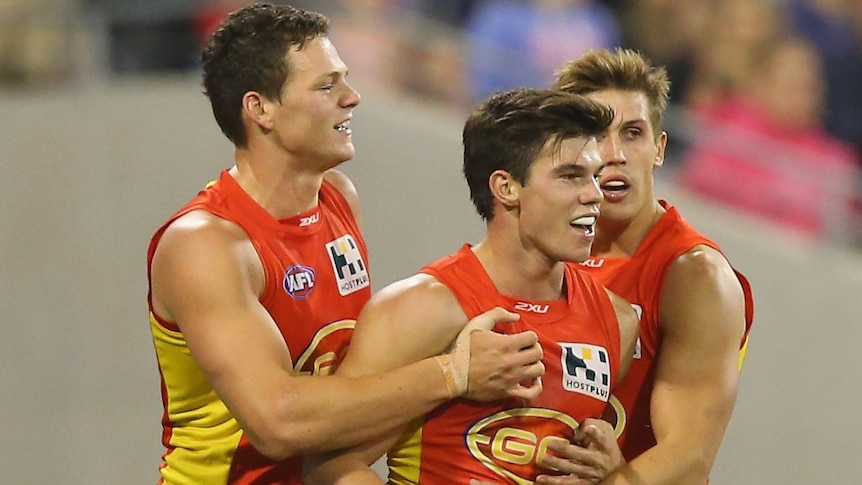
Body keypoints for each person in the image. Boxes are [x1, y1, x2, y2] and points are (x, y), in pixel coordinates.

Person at [146, 4, 546, 484]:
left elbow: (355, 381)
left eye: (345, 80)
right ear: (260, 109)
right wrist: (451, 374)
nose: (352, 97)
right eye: (326, 86)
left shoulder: (338, 198)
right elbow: (277, 421)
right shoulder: (205, 244)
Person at [302, 87, 641, 485]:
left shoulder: (616, 321)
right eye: (571, 177)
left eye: (595, 177)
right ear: (506, 188)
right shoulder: (422, 308)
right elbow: (327, 465)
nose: (594, 195)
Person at [551, 48, 755, 482]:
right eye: (595, 133)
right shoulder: (546, 249)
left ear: (659, 148)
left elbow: (689, 456)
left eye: (632, 133)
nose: (614, 154)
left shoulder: (695, 274)